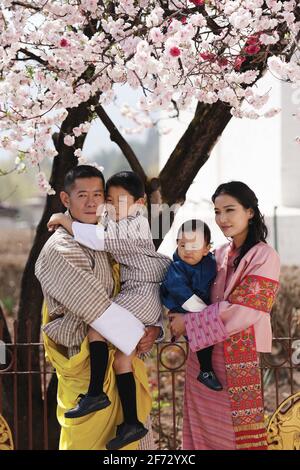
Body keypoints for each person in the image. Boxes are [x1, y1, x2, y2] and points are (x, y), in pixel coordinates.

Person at [35, 165, 161, 450]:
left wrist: (154, 328)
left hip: (121, 360)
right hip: (87, 371)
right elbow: (98, 309)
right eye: (83, 195)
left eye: (98, 194)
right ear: (66, 200)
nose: (92, 202)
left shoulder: (110, 233)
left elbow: (141, 282)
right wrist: (138, 335)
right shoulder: (61, 248)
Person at [169, 181, 280, 450]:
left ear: (250, 212)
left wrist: (189, 323)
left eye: (230, 210)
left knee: (235, 435)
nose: (222, 219)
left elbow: (246, 311)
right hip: (203, 357)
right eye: (217, 212)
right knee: (200, 428)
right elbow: (183, 275)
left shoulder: (265, 257)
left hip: (238, 356)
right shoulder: (217, 254)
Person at [160, 219, 222, 391]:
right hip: (184, 306)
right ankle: (206, 370)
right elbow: (181, 292)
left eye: (194, 246)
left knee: (208, 337)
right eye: (182, 245)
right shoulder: (177, 268)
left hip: (202, 307)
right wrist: (205, 314)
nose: (187, 250)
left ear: (206, 249)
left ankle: (206, 369)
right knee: (204, 336)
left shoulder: (210, 261)